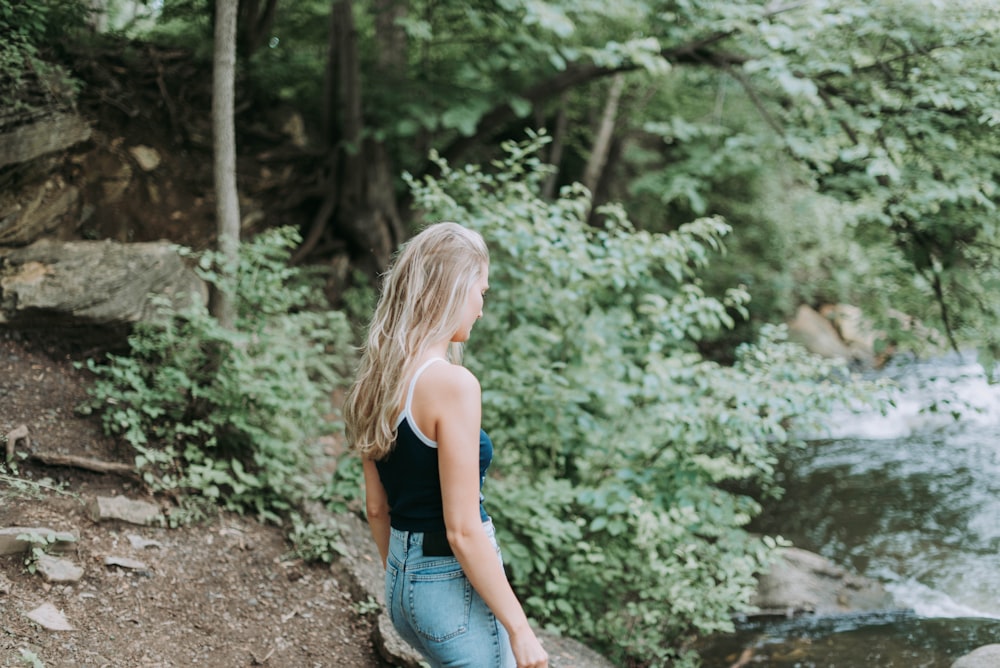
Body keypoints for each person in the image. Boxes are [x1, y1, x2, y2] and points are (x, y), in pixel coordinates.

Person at [343, 222, 548, 668]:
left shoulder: (376, 379)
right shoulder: (452, 385)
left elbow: (377, 509)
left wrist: (408, 581)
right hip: (448, 587)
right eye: (481, 293)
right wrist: (521, 630)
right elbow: (463, 528)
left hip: (403, 585)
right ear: (454, 290)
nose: (481, 310)